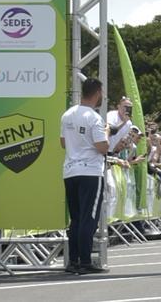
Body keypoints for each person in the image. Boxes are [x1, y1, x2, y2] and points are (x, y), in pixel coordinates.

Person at [60, 78, 109, 274]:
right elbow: (101, 147)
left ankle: (73, 260)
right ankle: (85, 261)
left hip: (70, 170)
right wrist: (106, 133)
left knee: (77, 218)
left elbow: (63, 143)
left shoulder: (67, 115)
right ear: (97, 93)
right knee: (89, 218)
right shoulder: (95, 118)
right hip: (90, 171)